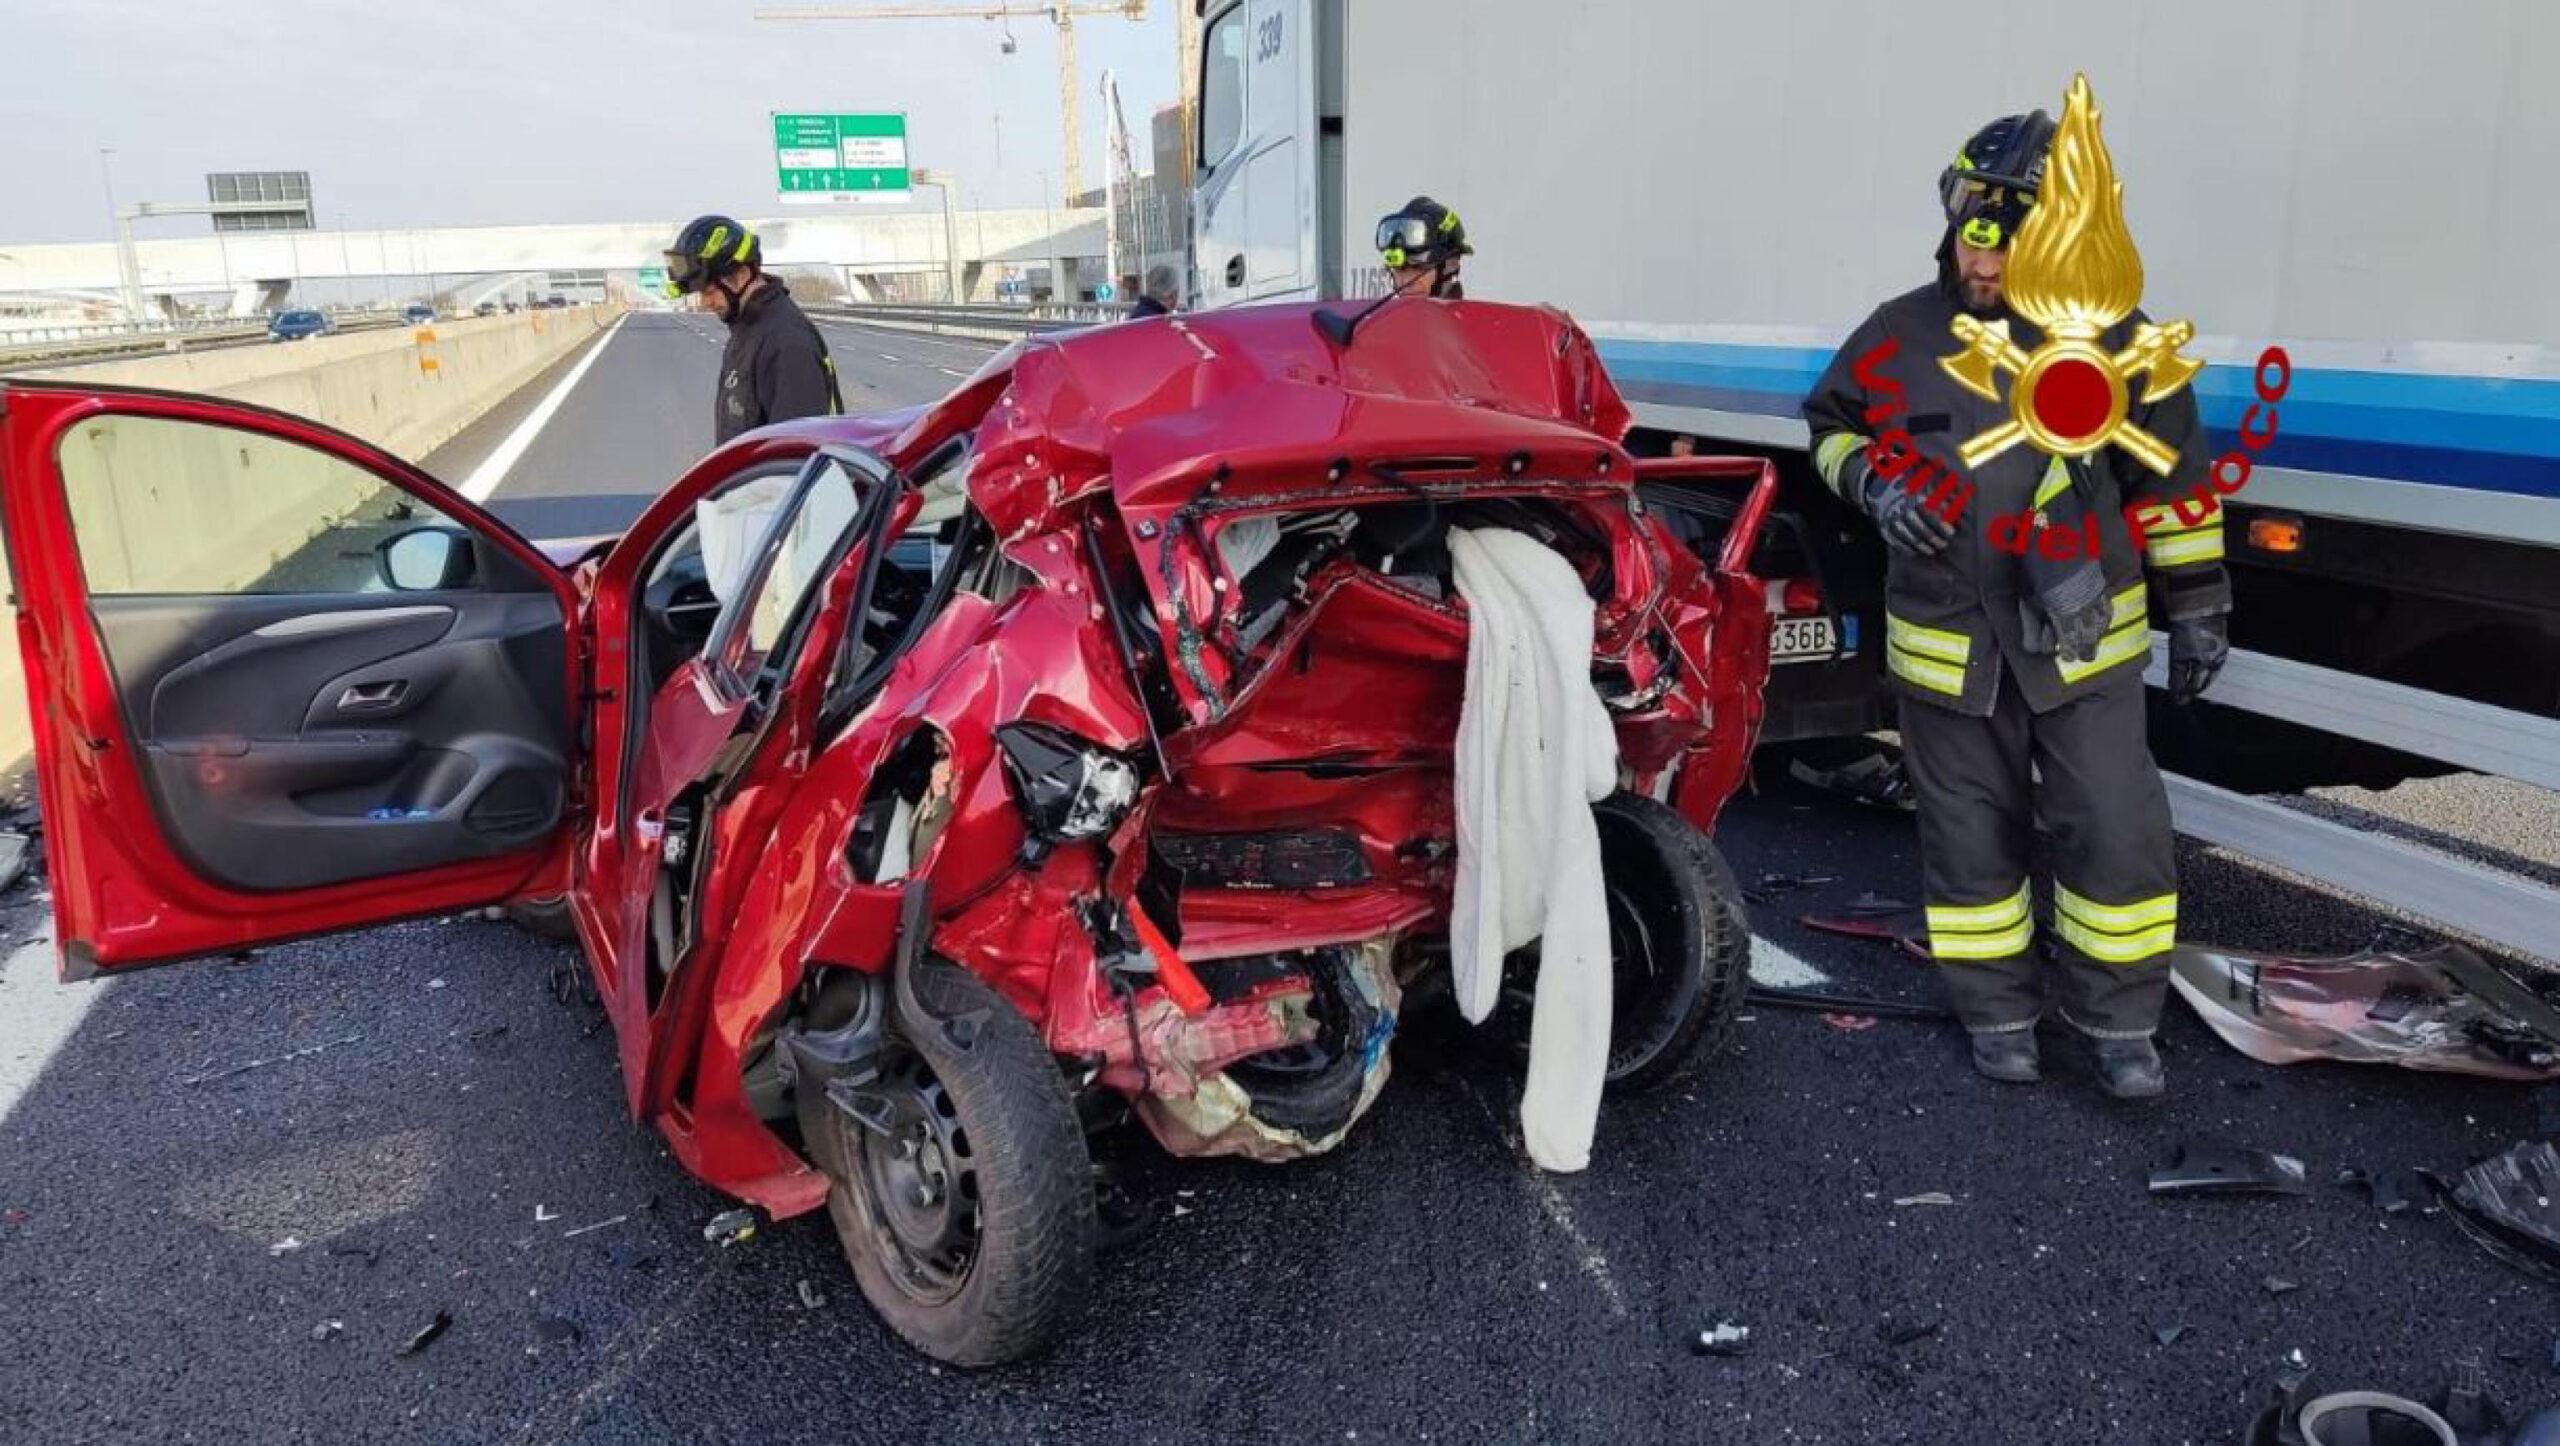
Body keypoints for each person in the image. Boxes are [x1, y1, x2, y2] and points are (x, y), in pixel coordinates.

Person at [1800, 110, 2232, 1098]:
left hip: (2080, 647)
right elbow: (1828, 425)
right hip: (1949, 649)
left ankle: (2116, 1021)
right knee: (1968, 839)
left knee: (2115, 830)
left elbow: (2175, 486)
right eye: (1971, 236)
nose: (1983, 263)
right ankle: (1996, 1010)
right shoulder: (1896, 332)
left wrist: (2199, 599)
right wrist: (1872, 483)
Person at [661, 214, 842, 444]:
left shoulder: (787, 343)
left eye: (708, 292)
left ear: (741, 275)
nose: (705, 303)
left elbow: (796, 456)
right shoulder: (747, 329)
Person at [1376, 196, 1471, 299]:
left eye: (1418, 267)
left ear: (1452, 265)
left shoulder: (1478, 315)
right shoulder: (1389, 314)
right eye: (1398, 269)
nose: (1405, 281)